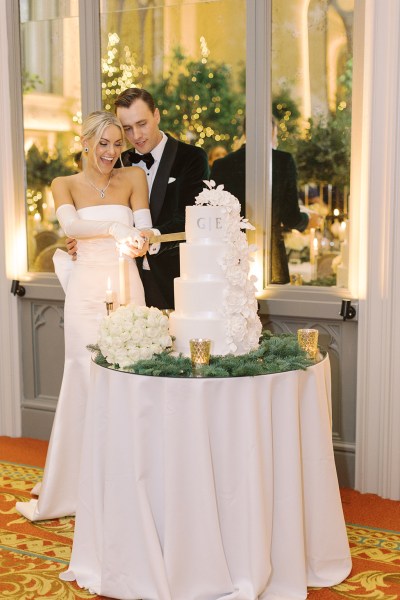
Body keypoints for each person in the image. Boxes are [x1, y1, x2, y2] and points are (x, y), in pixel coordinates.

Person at [16, 111, 152, 521]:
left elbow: (146, 232)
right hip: (85, 291)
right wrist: (113, 230)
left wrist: (140, 244)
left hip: (127, 284)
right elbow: (72, 225)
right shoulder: (65, 184)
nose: (111, 152)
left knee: (133, 374)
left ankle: (132, 475)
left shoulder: (134, 179)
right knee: (83, 372)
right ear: (86, 142)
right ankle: (78, 478)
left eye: (117, 144)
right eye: (104, 144)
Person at [67, 87, 210, 309]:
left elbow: (191, 218)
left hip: (173, 279)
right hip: (125, 281)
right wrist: (83, 240)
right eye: (127, 129)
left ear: (157, 115)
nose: (136, 136)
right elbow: (100, 208)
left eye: (142, 124)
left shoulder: (191, 158)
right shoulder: (117, 160)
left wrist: (152, 236)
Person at [211, 116, 320, 283]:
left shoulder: (222, 165)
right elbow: (289, 216)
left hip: (231, 256)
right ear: (273, 131)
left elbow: (215, 215)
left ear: (245, 133)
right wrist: (307, 220)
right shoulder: (282, 161)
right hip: (270, 257)